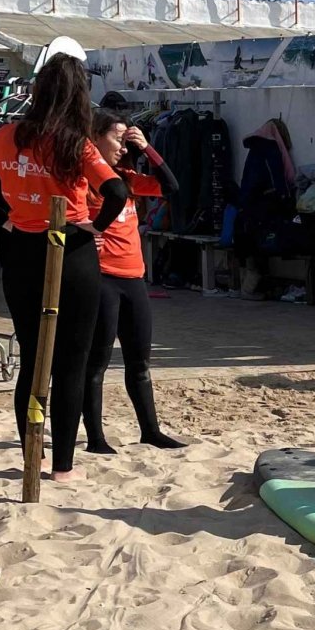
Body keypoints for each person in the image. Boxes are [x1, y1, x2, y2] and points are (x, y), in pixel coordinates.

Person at [0, 52, 132, 482]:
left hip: (23, 250)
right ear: (77, 97)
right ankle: (63, 467)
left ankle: (31, 453)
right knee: (72, 361)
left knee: (34, 357)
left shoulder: (6, 136)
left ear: (36, 92)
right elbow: (118, 191)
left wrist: (3, 218)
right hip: (72, 251)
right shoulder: (77, 142)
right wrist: (95, 226)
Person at [82, 110, 185, 454]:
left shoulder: (127, 179)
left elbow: (171, 187)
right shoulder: (84, 181)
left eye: (126, 141)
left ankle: (150, 431)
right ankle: (96, 438)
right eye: (117, 139)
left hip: (134, 279)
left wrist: (148, 149)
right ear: (94, 138)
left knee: (139, 363)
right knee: (96, 364)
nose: (123, 149)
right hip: (102, 279)